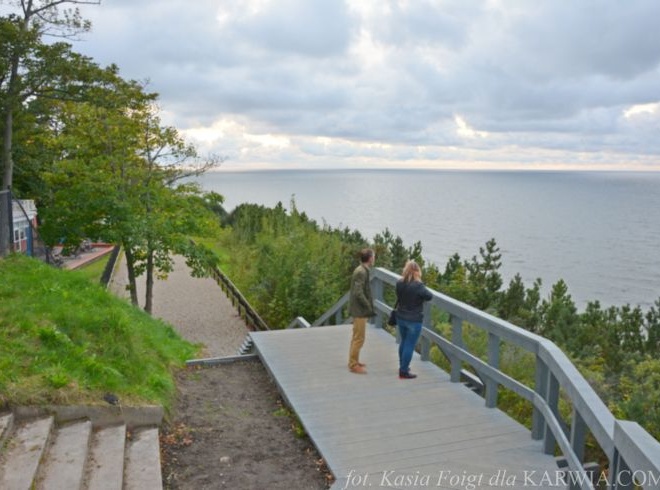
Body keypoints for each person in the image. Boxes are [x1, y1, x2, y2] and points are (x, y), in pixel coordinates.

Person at [395, 260, 432, 379]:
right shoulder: (418, 286)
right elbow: (429, 296)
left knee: (404, 342)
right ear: (417, 272)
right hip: (414, 320)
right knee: (409, 345)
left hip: (401, 317)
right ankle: (404, 371)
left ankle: (402, 366)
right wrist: (419, 282)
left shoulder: (399, 283)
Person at [347, 248, 376, 374]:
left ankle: (353, 360)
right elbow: (358, 292)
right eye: (373, 256)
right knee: (359, 338)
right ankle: (353, 365)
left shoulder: (362, 270)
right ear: (370, 258)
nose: (374, 258)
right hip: (359, 310)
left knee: (356, 336)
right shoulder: (361, 272)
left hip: (358, 309)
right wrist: (368, 306)